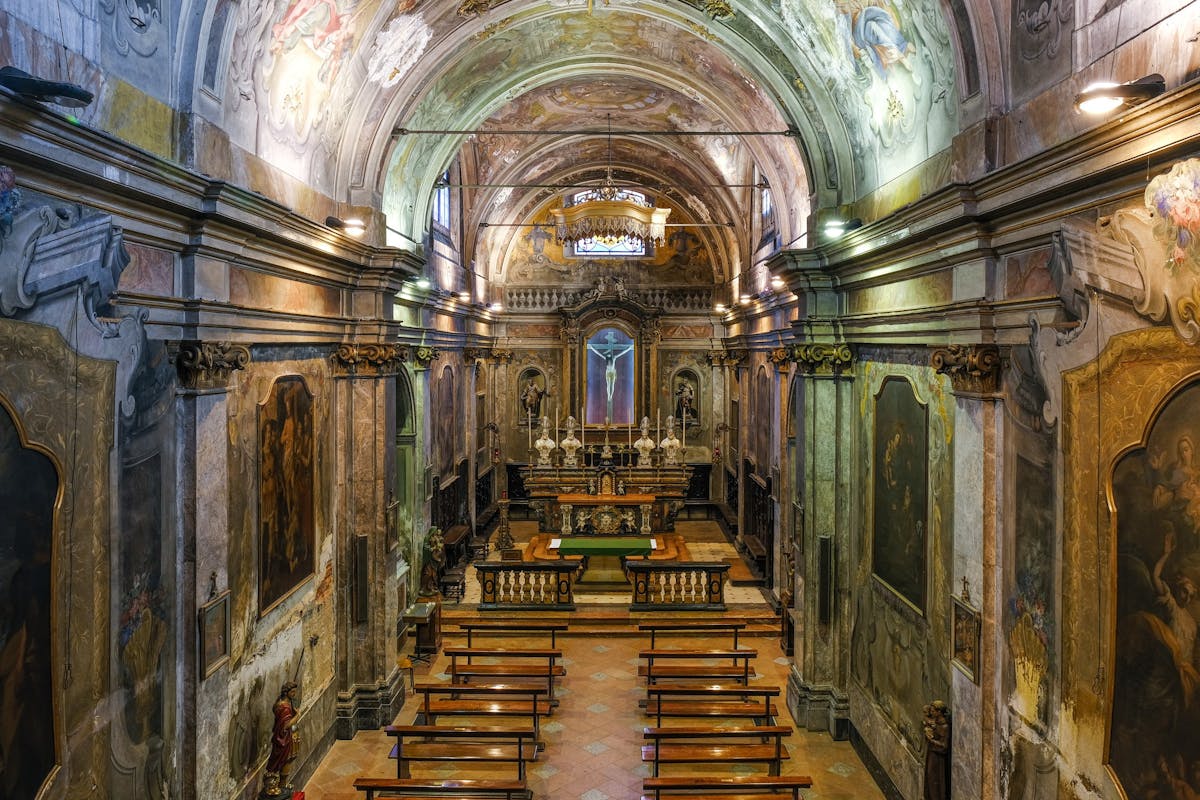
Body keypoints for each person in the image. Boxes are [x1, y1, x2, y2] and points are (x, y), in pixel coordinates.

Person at [586, 331, 634, 422]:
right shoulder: (606, 359)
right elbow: (599, 354)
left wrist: (629, 348)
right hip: (608, 373)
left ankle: (610, 395)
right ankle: (609, 396)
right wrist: (592, 348)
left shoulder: (614, 358)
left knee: (612, 385)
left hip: (613, 373)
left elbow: (622, 353)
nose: (609, 355)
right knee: (608, 386)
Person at [265, 681, 300, 795]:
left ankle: (282, 784)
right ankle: (274, 785)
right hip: (282, 739)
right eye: (293, 692)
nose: (294, 694)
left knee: (286, 760)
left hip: (285, 737)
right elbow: (286, 725)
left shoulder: (282, 703)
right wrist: (297, 715)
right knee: (280, 761)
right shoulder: (284, 707)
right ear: (287, 692)